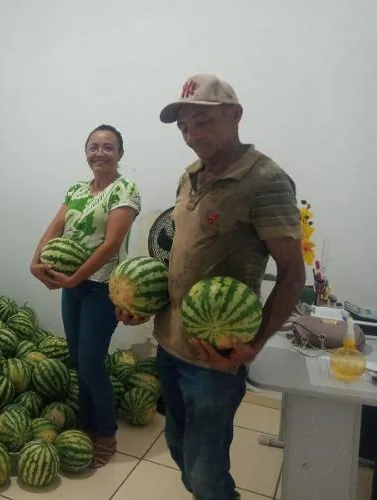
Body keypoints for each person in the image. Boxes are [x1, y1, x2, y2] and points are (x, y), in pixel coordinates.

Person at [117, 75, 305, 499]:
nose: (191, 135)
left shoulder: (266, 180)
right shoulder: (189, 175)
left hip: (215, 357)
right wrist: (143, 304)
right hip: (170, 342)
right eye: (184, 126)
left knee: (205, 472)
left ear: (235, 116)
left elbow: (293, 273)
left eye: (202, 122)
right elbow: (182, 261)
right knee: (179, 449)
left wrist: (252, 345)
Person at [30, 124, 141, 467]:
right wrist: (35, 262)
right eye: (94, 146)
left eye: (108, 147)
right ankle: (86, 424)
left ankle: (105, 433)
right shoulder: (77, 189)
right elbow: (55, 228)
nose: (100, 153)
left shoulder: (126, 190)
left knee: (92, 362)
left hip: (101, 287)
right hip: (73, 285)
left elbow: (110, 245)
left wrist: (74, 278)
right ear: (86, 152)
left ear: (120, 154)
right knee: (79, 360)